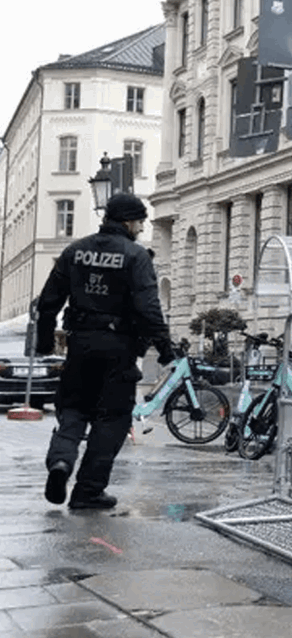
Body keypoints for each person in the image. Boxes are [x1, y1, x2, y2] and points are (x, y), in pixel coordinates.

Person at [37, 193, 176, 511]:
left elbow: (48, 301)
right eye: (140, 221)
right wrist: (166, 349)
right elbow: (148, 309)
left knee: (73, 411)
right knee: (111, 419)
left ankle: (60, 463)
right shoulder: (136, 256)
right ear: (128, 221)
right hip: (119, 350)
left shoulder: (75, 251)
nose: (141, 228)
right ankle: (88, 491)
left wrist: (45, 342)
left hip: (80, 345)